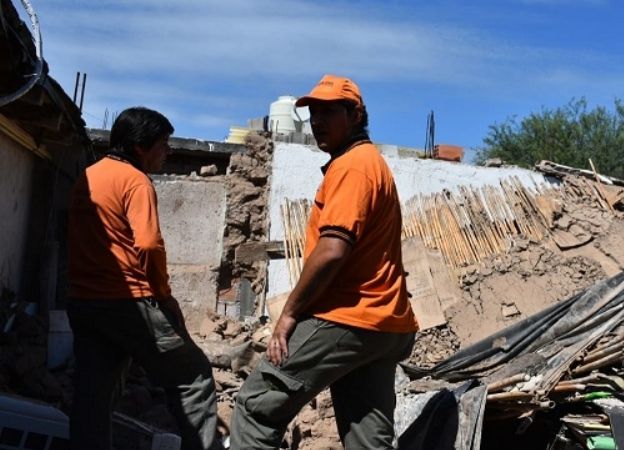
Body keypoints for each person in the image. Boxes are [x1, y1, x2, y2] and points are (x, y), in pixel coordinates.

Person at [231, 75, 418, 449]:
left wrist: (288, 316)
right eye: (313, 113)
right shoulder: (370, 163)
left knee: (255, 408)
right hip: (385, 324)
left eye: (329, 112)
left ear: (355, 115)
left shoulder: (353, 166)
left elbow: (333, 250)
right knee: (368, 435)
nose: (317, 121)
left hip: (348, 315)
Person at [67, 107, 218, 450]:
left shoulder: (88, 177)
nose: (168, 152)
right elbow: (148, 243)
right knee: (193, 379)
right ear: (139, 147)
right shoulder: (135, 181)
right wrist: (163, 296)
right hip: (129, 303)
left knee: (94, 397)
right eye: (163, 144)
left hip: (85, 303)